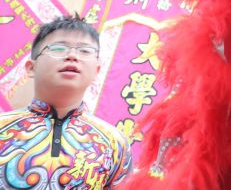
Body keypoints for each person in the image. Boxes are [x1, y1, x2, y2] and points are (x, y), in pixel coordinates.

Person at [0, 17, 132, 189]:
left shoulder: (115, 144)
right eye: (58, 48)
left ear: (96, 71)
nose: (72, 56)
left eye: (85, 51)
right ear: (31, 67)